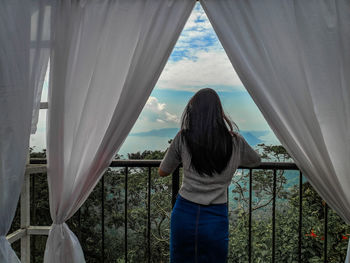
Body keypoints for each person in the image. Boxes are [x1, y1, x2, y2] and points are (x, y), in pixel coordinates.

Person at [158, 88, 261, 263]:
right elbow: (255, 161)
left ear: (192, 112)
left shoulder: (183, 138)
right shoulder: (235, 141)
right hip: (216, 216)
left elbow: (163, 171)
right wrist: (232, 160)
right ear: (218, 113)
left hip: (184, 213)